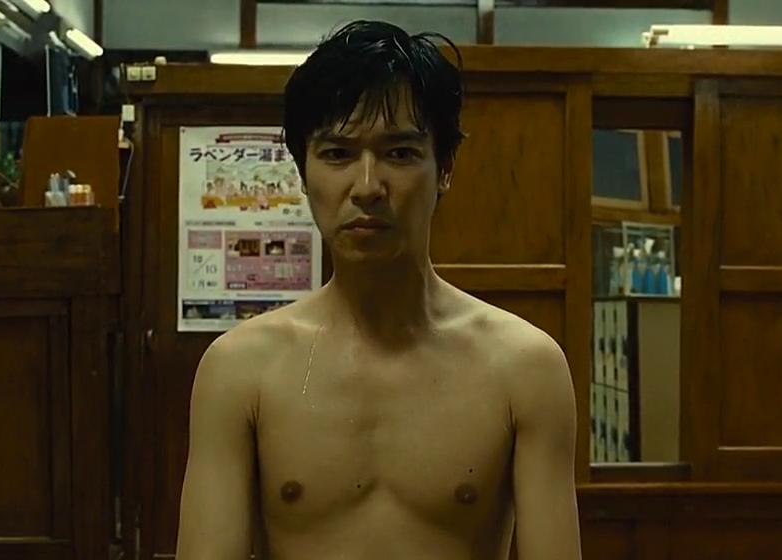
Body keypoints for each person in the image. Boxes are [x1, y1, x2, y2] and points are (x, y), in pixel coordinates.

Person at [176, 20, 581, 560]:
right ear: (303, 173)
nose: (367, 187)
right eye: (337, 154)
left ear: (445, 168)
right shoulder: (240, 370)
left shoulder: (525, 368)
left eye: (400, 153)